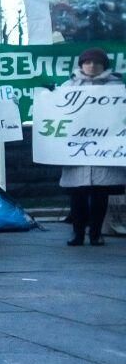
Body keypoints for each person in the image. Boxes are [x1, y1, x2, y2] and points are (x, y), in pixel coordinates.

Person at [60, 47, 125, 246]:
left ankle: (95, 233)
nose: (92, 66)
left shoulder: (118, 88)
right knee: (77, 194)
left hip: (105, 151)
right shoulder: (68, 86)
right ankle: (78, 233)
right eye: (87, 62)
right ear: (81, 65)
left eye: (96, 63)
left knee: (100, 194)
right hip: (77, 150)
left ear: (104, 65)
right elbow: (56, 112)